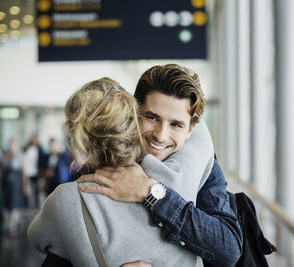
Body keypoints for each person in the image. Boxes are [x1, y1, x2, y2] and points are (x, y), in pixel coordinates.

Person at [28, 77, 214, 266]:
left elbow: (36, 238)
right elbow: (199, 130)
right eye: (151, 117)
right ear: (135, 123)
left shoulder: (65, 199)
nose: (161, 134)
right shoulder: (178, 175)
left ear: (78, 136)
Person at [77, 64, 243, 266]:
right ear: (135, 114)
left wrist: (152, 193)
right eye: (152, 118)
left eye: (176, 125)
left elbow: (229, 249)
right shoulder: (103, 163)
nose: (160, 135)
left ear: (190, 129)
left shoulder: (201, 166)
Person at [0, 138, 25, 237]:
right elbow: (0, 170)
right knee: (8, 205)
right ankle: (12, 224)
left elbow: (24, 173)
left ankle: (13, 226)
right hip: (6, 185)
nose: (12, 147)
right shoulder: (5, 156)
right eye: (11, 145)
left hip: (17, 185)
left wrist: (25, 186)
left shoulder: (20, 156)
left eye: (14, 145)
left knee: (15, 205)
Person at [23, 134, 45, 209]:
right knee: (31, 196)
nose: (35, 140)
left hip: (38, 175)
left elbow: (43, 163)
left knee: (39, 195)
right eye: (33, 139)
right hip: (30, 175)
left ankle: (38, 211)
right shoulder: (27, 149)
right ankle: (32, 211)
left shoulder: (41, 150)